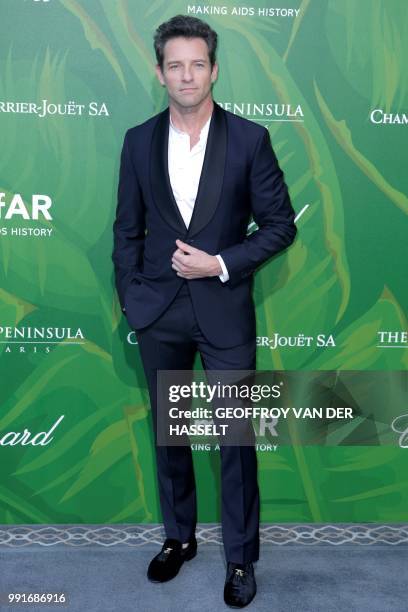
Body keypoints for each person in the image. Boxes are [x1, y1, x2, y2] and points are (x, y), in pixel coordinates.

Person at [112, 14, 297, 609]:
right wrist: (130, 298)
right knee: (171, 438)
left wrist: (218, 262)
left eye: (197, 64)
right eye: (175, 65)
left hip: (223, 310)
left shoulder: (249, 140)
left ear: (213, 70)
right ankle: (179, 538)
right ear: (160, 72)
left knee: (235, 441)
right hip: (158, 312)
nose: (186, 75)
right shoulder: (138, 141)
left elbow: (280, 227)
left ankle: (240, 560)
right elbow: (126, 231)